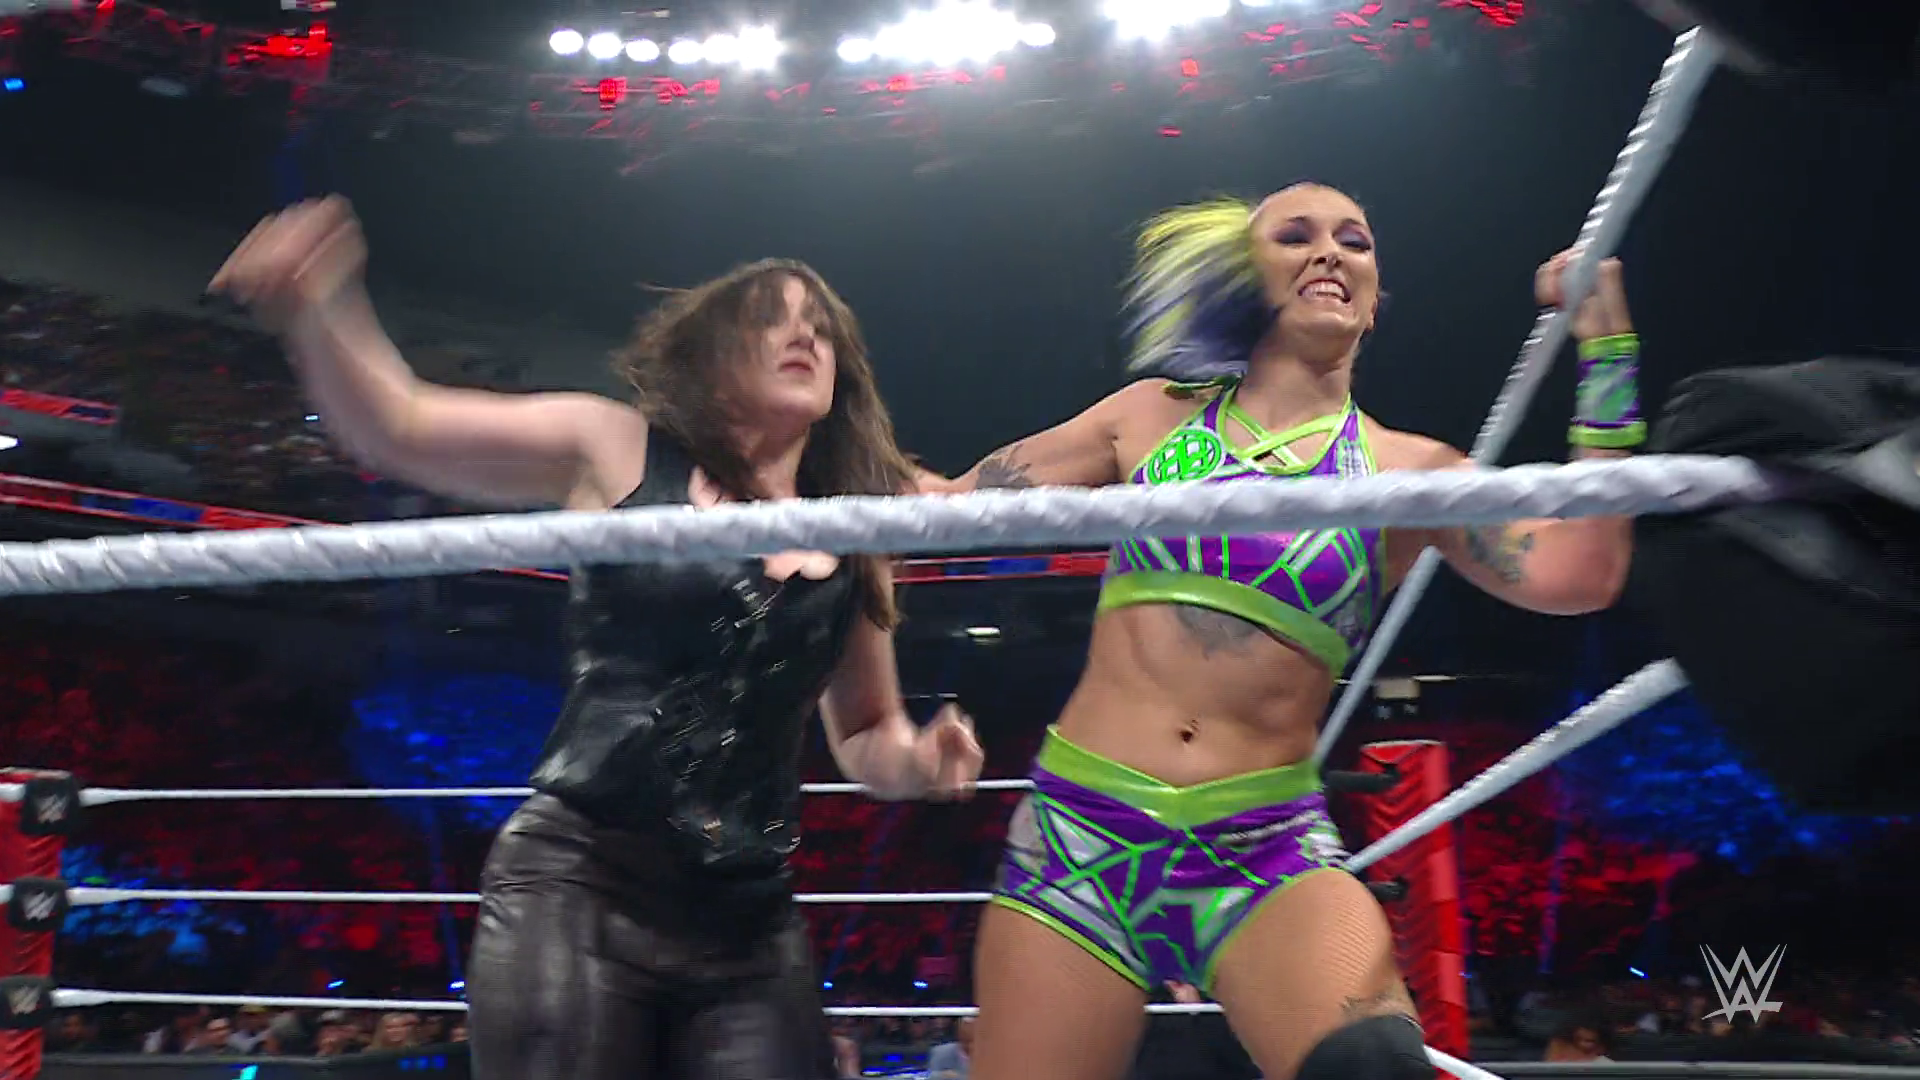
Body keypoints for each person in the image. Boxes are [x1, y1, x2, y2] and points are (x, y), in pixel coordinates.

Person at [208, 196, 986, 1080]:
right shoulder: (613, 447)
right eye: (772, 317)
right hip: (582, 882)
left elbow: (866, 731)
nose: (804, 334)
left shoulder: (855, 524)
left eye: (821, 327)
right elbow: (404, 424)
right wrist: (320, 310)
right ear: (711, 354)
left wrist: (920, 762)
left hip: (749, 916)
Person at [921, 183, 1640, 1080]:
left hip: (1264, 848)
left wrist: (1609, 349)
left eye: (1355, 240)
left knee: (1374, 1065)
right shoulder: (1151, 414)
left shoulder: (1406, 472)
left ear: (1373, 301)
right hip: (1081, 838)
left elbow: (1582, 572)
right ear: (1244, 276)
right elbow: (948, 505)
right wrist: (788, 468)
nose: (1329, 251)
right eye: (1296, 236)